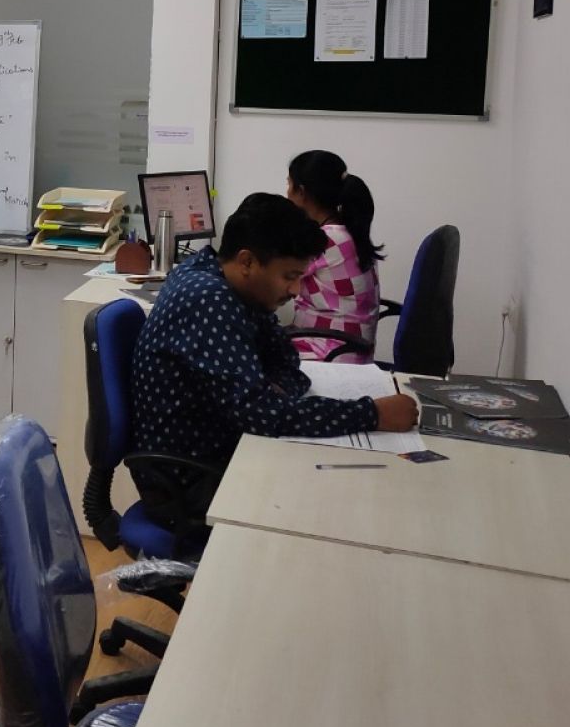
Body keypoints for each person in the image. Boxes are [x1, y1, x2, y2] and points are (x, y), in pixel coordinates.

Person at [128, 192, 417, 537]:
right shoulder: (209, 300)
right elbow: (264, 414)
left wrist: (272, 394)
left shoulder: (225, 279)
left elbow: (286, 360)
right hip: (193, 482)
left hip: (226, 451)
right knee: (340, 503)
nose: (296, 290)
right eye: (289, 276)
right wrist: (372, 414)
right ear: (247, 262)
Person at [285, 150, 383, 363]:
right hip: (348, 348)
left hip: (329, 352)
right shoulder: (348, 231)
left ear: (301, 192)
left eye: (289, 185)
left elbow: (277, 274)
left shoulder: (327, 239)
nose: (287, 194)